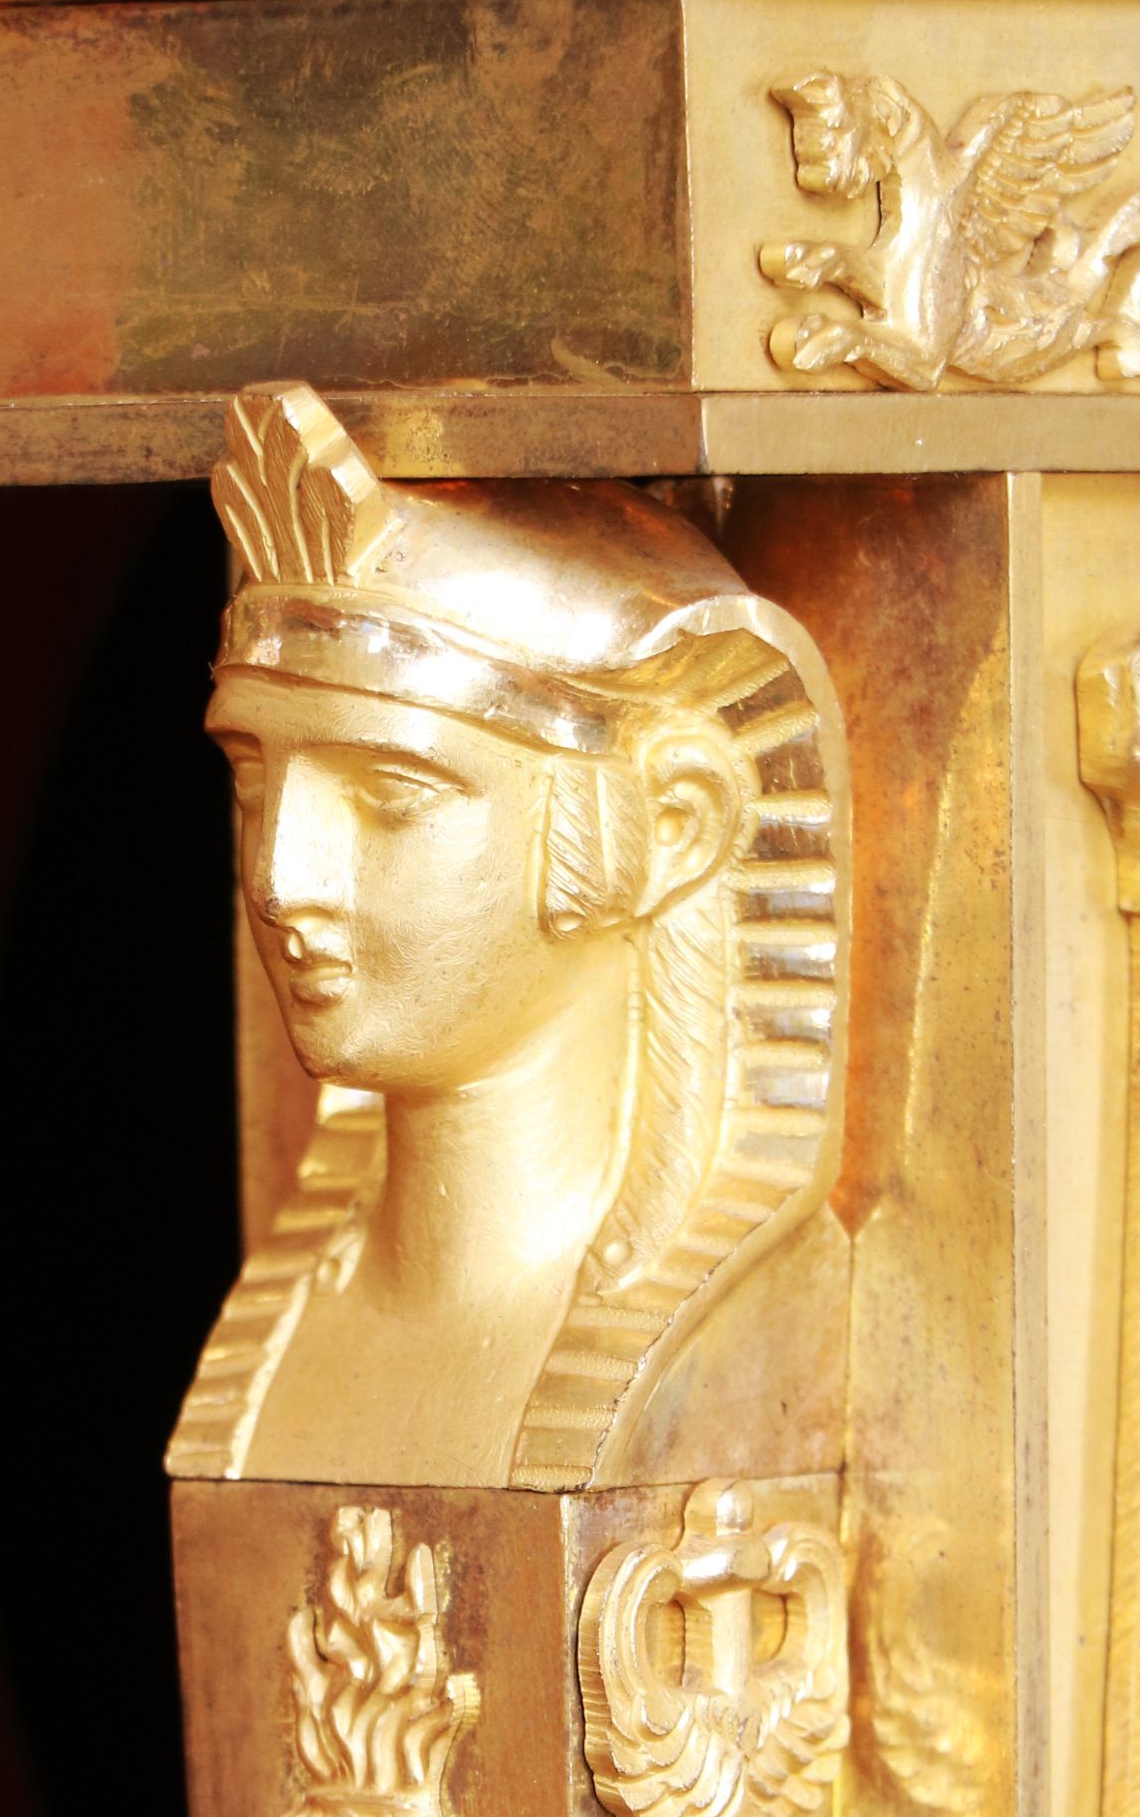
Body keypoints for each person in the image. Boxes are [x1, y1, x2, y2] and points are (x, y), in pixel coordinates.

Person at [171, 382, 848, 1490]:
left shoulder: (746, 1336)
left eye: (390, 794)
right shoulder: (283, 1338)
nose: (279, 877)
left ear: (669, 827)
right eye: (253, 780)